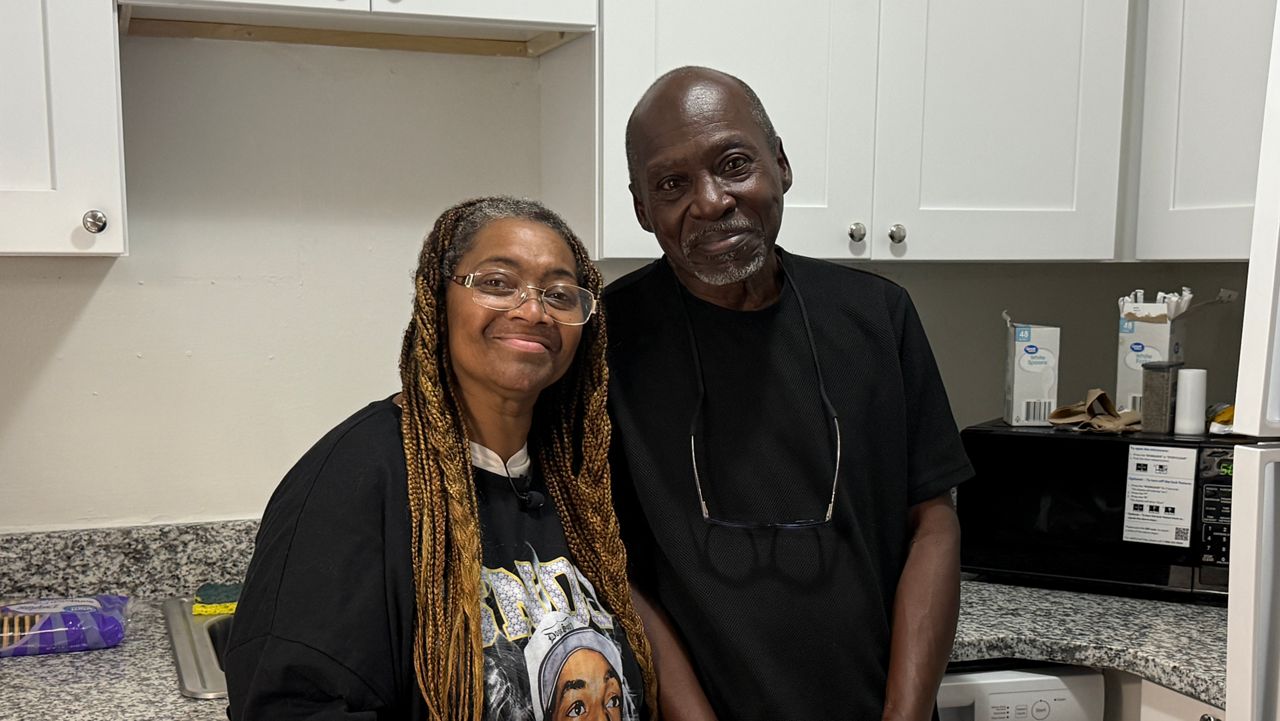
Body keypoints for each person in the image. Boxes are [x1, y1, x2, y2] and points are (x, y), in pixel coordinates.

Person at [605, 67, 974, 721]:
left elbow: (933, 521)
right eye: (672, 184)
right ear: (641, 210)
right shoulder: (607, 343)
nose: (712, 200)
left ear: (781, 165)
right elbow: (614, 565)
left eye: (734, 163)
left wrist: (905, 714)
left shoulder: (877, 317)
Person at [224, 196, 656, 720]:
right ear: (438, 299)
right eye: (498, 282)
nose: (533, 310)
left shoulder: (578, 480)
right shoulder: (353, 479)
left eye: (560, 294)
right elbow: (290, 707)